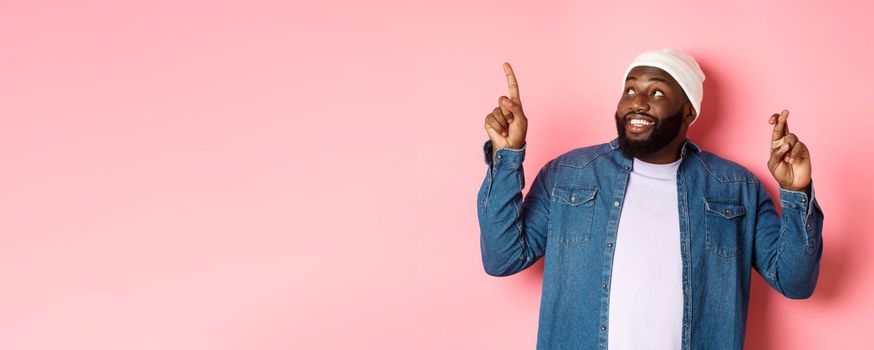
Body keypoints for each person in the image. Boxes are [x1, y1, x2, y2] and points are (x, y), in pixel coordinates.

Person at [476, 48, 824, 350]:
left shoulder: (735, 187)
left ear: (689, 111)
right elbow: (502, 257)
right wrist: (508, 156)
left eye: (656, 92)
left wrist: (796, 192)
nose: (637, 102)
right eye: (630, 89)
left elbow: (795, 282)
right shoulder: (569, 174)